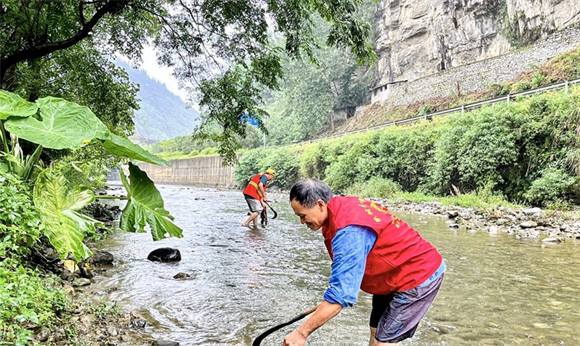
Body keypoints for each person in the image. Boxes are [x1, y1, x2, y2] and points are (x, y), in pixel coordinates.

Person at [284, 178, 445, 346]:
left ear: (320, 205)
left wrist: (301, 333)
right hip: (391, 274)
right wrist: (336, 294)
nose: (302, 222)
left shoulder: (348, 231)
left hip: (417, 275)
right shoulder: (342, 205)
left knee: (383, 343)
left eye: (302, 216)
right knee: (375, 334)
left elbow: (341, 295)